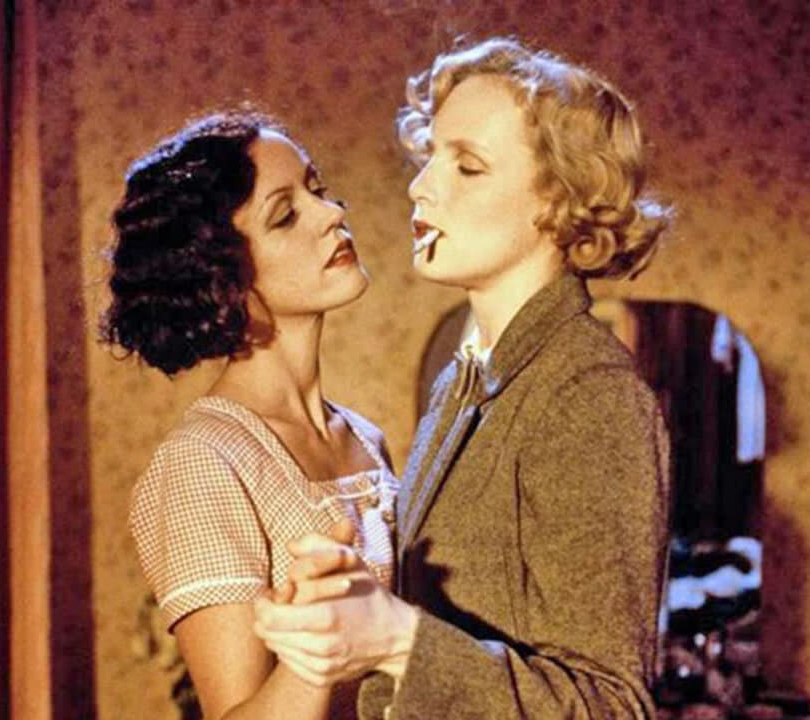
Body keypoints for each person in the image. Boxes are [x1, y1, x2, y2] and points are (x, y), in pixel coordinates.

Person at [252, 37, 673, 719]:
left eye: (468, 166)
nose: (421, 186)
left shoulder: (589, 394)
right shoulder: (463, 381)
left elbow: (612, 705)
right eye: (430, 157)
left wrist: (396, 638)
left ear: (559, 204)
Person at [103, 112, 399, 720]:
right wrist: (316, 643)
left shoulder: (365, 438)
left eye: (317, 190)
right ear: (223, 278)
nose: (332, 214)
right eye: (285, 215)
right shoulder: (204, 462)